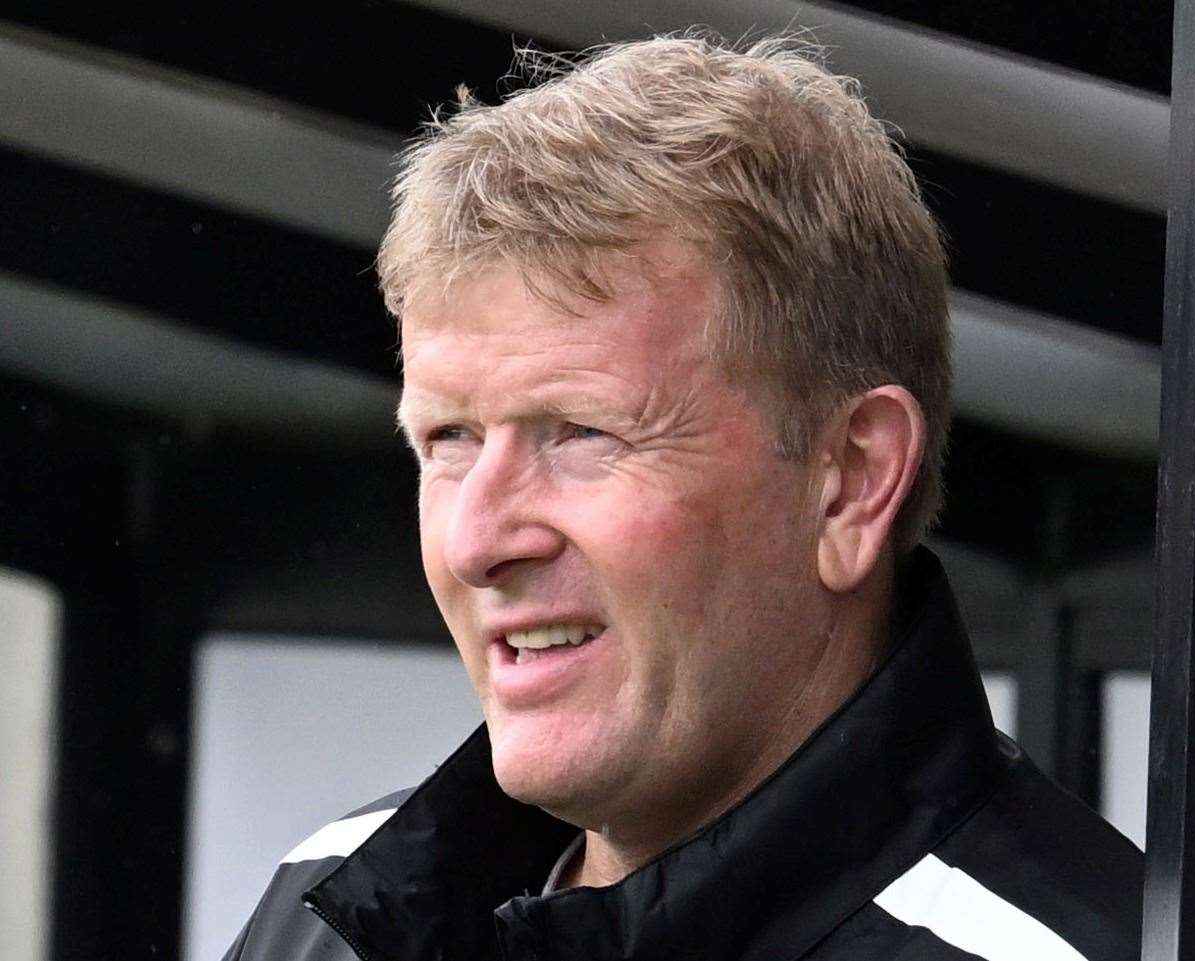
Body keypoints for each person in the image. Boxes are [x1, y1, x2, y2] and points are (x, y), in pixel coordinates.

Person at [224, 33, 1142, 961]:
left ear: (853, 482)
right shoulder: (321, 913)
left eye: (581, 432)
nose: (474, 541)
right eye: (448, 439)